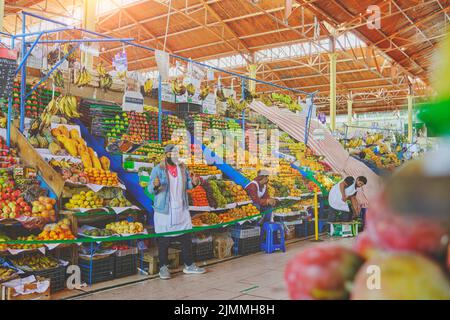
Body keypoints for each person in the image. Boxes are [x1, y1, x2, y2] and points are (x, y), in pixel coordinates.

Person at [148, 144, 206, 280]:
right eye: (171, 154)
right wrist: (155, 185)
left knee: (186, 237)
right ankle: (163, 267)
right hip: (164, 210)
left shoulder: (183, 168)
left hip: (181, 207)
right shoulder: (158, 169)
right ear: (166, 155)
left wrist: (194, 182)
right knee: (164, 240)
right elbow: (150, 189)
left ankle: (189, 265)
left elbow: (188, 186)